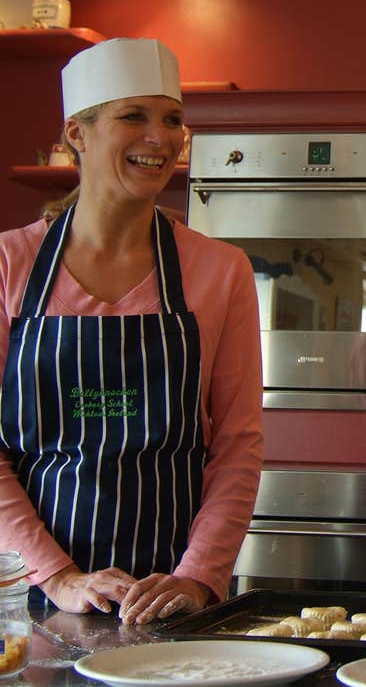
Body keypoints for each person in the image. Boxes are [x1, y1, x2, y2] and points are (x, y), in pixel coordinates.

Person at [0, 39, 263, 624]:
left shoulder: (220, 271)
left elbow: (237, 446)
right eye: (133, 117)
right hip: (26, 593)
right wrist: (59, 577)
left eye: (172, 120)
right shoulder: (8, 267)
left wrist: (197, 578)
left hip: (170, 600)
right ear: (78, 133)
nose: (161, 138)